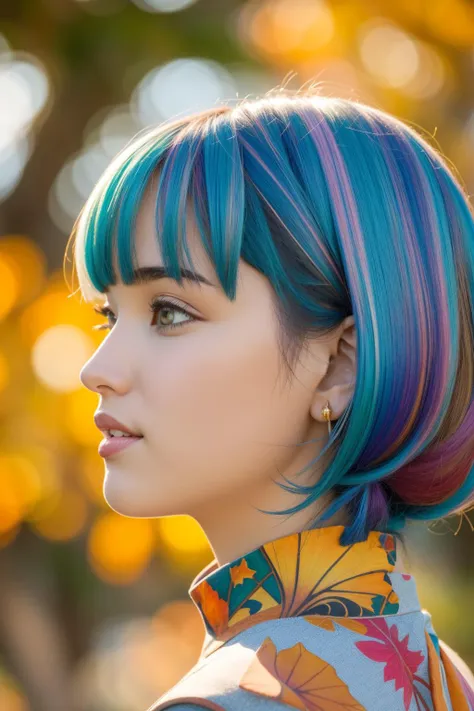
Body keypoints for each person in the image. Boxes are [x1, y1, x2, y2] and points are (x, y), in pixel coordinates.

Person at [73, 89, 474, 710]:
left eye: (170, 312)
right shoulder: (443, 680)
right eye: (107, 316)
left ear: (340, 364)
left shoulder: (229, 702)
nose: (96, 370)